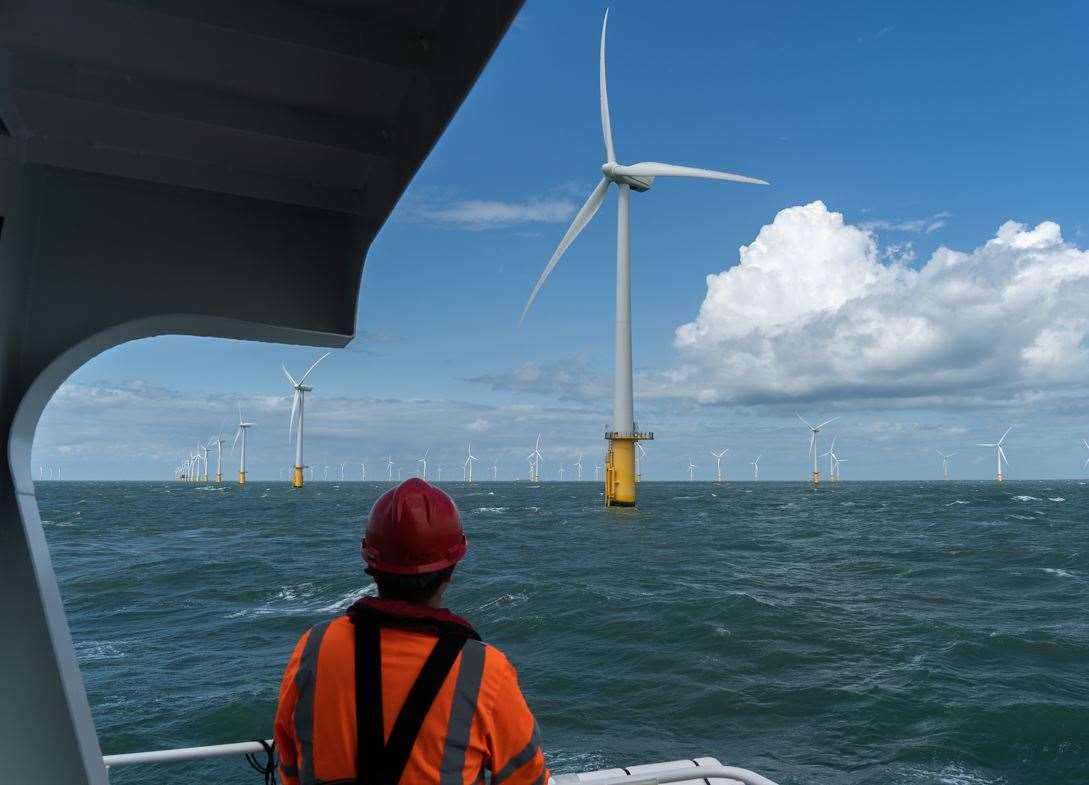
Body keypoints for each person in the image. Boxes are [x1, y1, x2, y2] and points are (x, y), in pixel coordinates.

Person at [274, 478, 548, 785]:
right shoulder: (486, 671)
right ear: (451, 570)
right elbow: (527, 778)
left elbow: (289, 760)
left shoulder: (315, 647)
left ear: (371, 563)